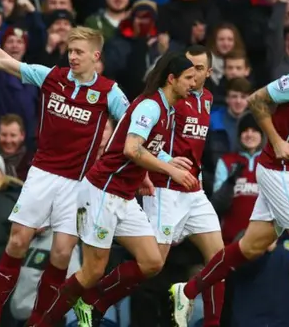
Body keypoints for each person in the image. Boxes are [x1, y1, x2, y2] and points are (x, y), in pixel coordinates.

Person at [0, 7, 132, 327]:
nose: (72, 56)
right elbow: (3, 60)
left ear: (95, 55)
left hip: (77, 183)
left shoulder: (109, 92)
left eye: (79, 52)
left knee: (60, 255)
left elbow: (133, 130)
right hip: (43, 172)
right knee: (17, 241)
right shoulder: (51, 76)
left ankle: (37, 322)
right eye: (70, 50)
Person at [171, 34, 289, 327]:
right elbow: (256, 99)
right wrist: (275, 141)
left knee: (250, 247)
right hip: (279, 169)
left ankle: (186, 290)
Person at [34, 51, 199, 327]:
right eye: (189, 78)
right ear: (171, 79)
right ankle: (42, 323)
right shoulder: (150, 106)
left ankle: (91, 303)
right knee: (91, 272)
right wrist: (169, 169)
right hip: (102, 191)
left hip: (124, 194)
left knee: (152, 262)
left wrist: (146, 174)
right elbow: (131, 148)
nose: (194, 84)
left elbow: (142, 150)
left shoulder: (170, 110)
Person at [146, 45, 225, 327]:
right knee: (152, 266)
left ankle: (212, 323)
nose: (192, 73)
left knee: (220, 260)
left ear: (210, 73)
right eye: (188, 66)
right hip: (164, 189)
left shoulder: (208, 98)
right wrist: (168, 162)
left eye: (200, 68)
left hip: (194, 192)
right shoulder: (168, 98)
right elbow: (146, 141)